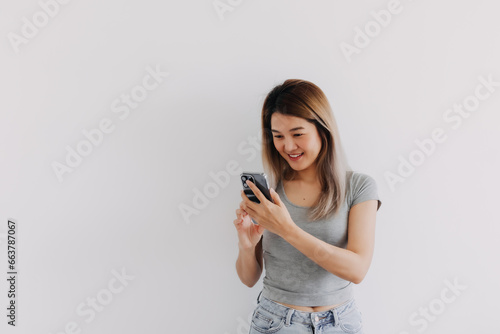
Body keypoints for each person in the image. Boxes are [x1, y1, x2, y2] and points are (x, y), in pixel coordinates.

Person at [233, 79, 382, 334]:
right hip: (276, 321)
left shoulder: (359, 187)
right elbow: (249, 279)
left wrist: (286, 228)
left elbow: (357, 270)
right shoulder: (270, 192)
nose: (288, 147)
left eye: (298, 134)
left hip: (341, 322)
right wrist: (246, 247)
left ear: (323, 130)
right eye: (277, 136)